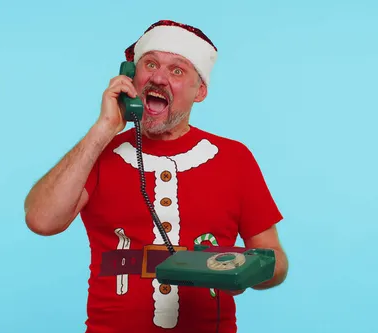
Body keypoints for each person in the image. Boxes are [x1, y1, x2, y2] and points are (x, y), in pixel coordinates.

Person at [24, 20, 288, 333]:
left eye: (177, 70)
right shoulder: (97, 154)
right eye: (149, 64)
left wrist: (245, 273)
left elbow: (276, 259)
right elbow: (41, 220)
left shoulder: (234, 158)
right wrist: (104, 128)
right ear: (130, 77)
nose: (158, 77)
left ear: (200, 90)